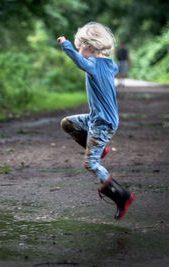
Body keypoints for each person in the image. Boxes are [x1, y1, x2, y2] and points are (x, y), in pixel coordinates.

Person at [57, 22, 134, 220]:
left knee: (91, 164)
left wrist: (65, 45)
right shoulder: (109, 64)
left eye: (80, 47)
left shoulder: (92, 64)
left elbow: (81, 62)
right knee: (67, 123)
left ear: (91, 47)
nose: (78, 51)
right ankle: (100, 148)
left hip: (103, 123)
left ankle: (121, 195)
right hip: (95, 118)